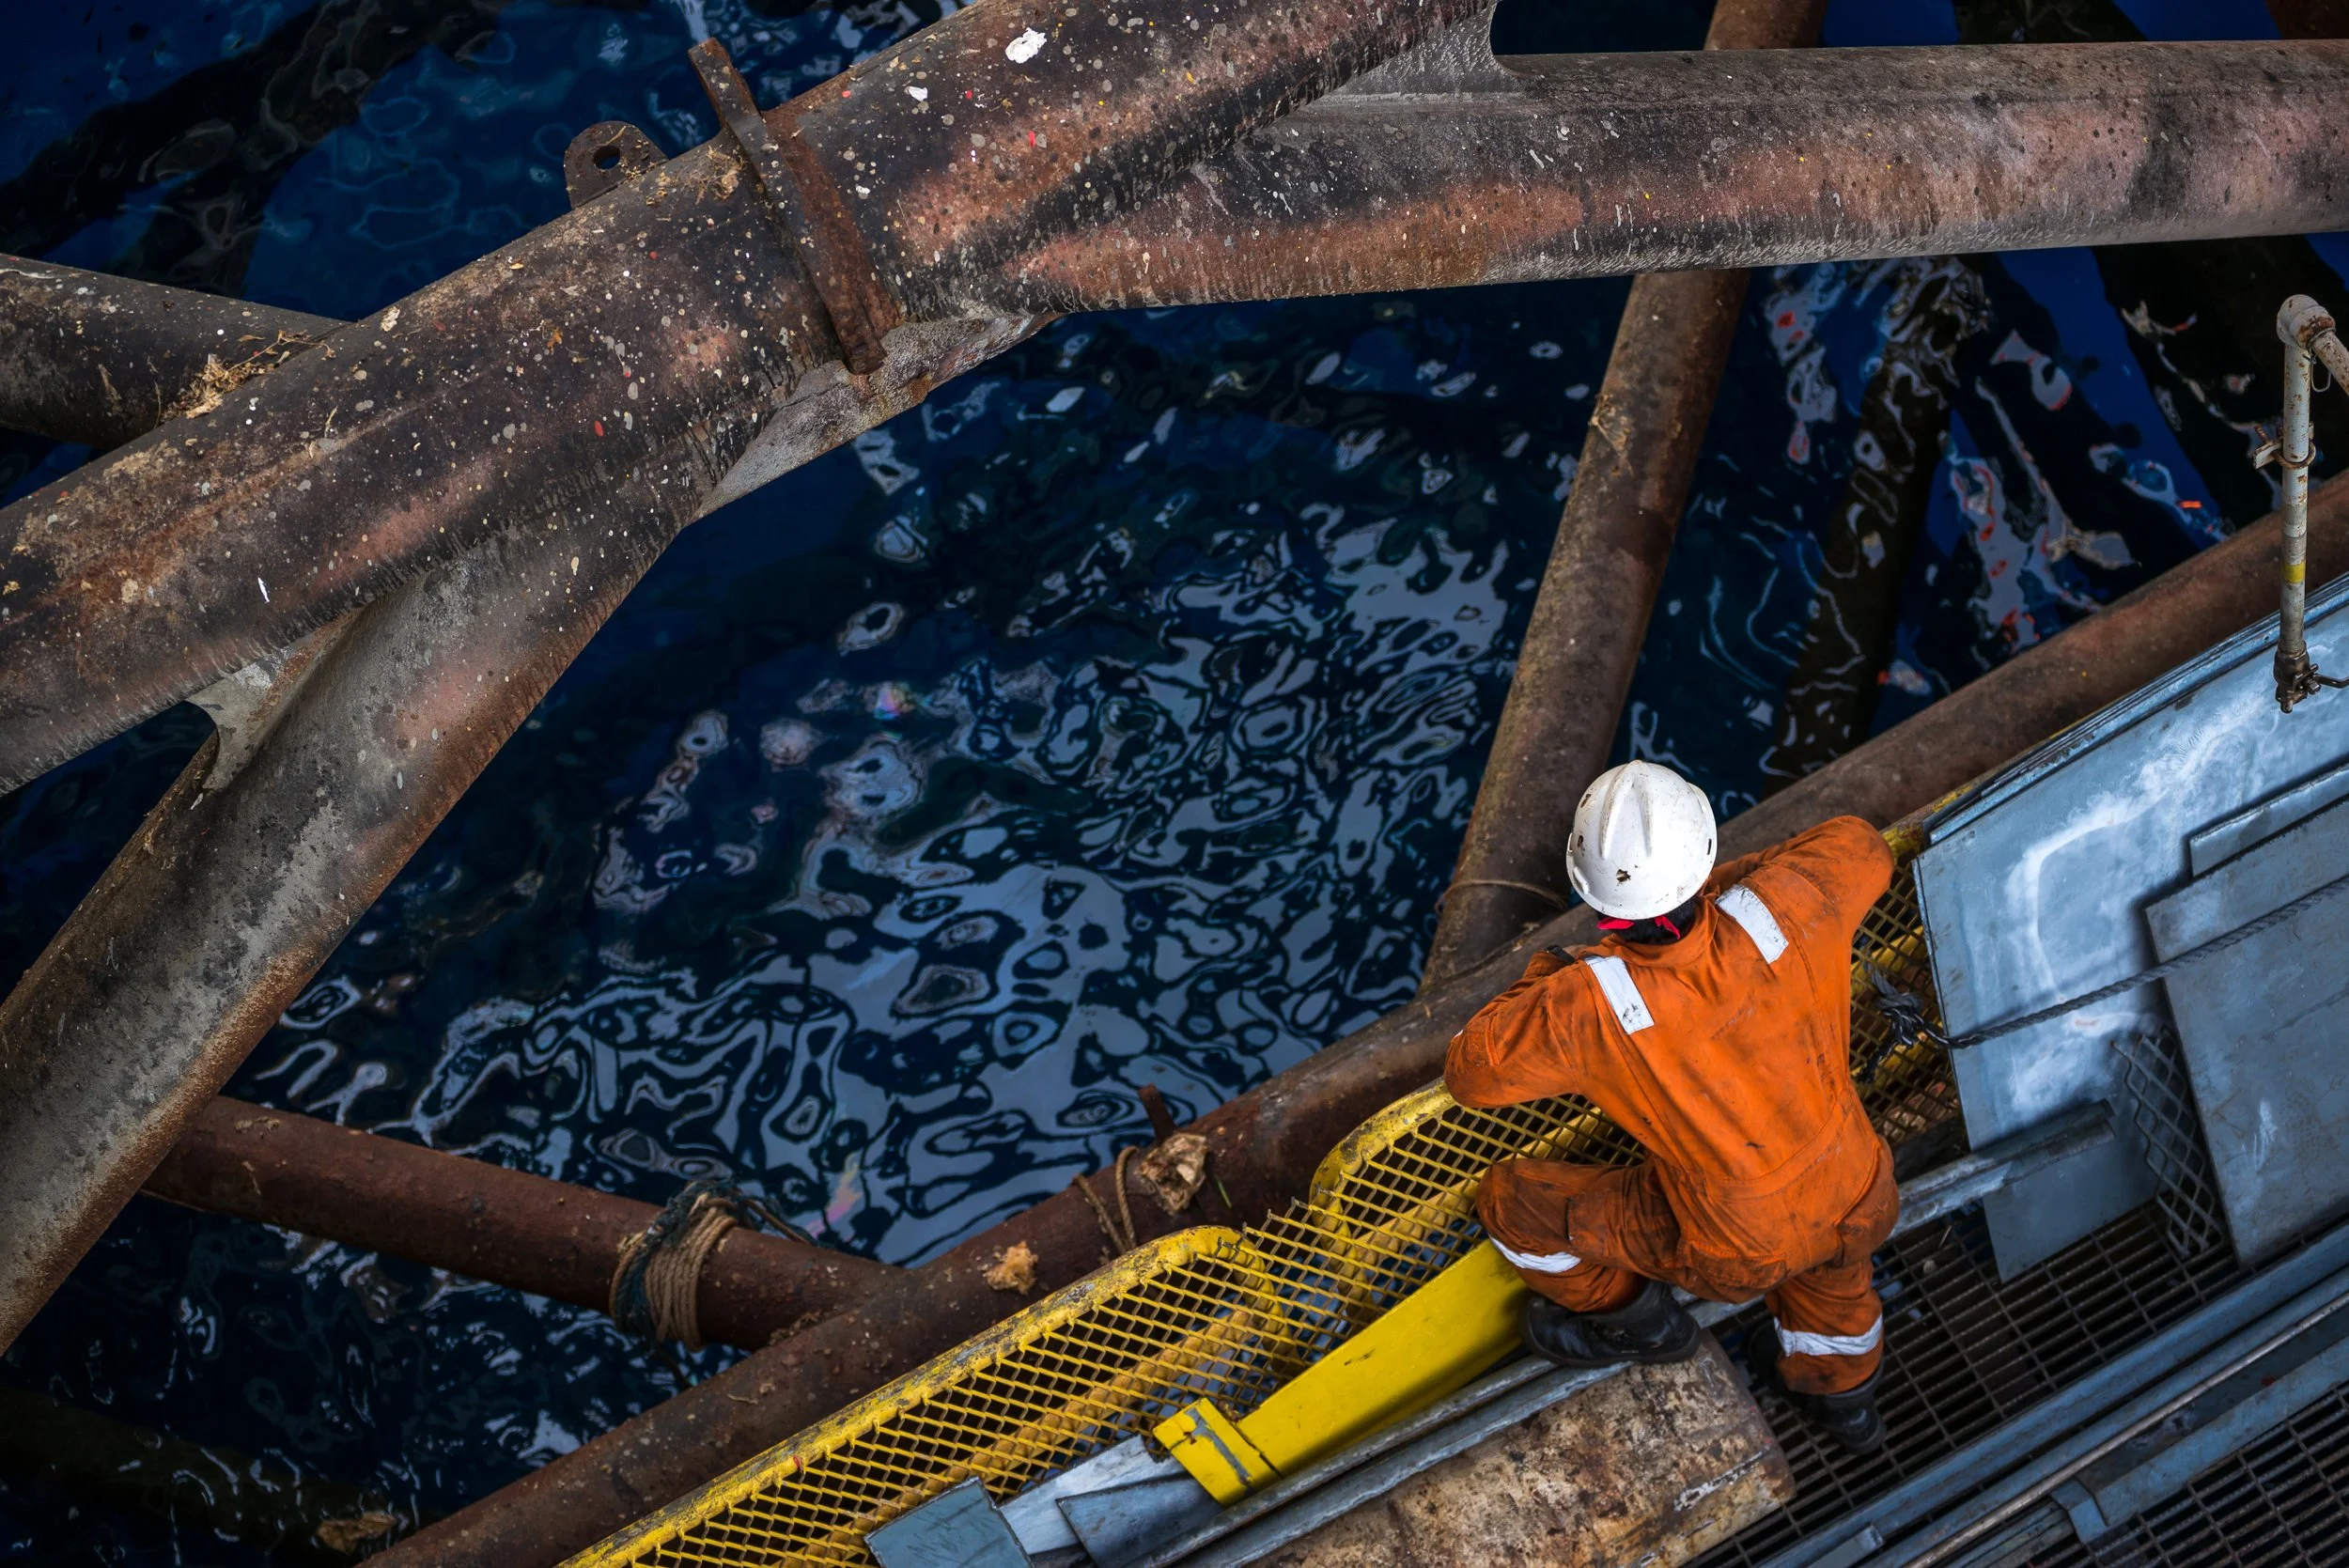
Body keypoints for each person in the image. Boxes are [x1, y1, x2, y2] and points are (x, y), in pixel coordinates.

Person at [1444, 760, 1900, 1452]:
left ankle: (1641, 1322)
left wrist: (1559, 969)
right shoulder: (1793, 900)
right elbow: (1863, 843)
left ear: (1599, 906)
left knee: (1512, 1202)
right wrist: (1727, 890)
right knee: (1835, 1291)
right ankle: (1848, 1408)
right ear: (1703, 853)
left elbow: (1469, 1073)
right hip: (1860, 1188)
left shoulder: (1588, 1003)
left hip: (1735, 1249)